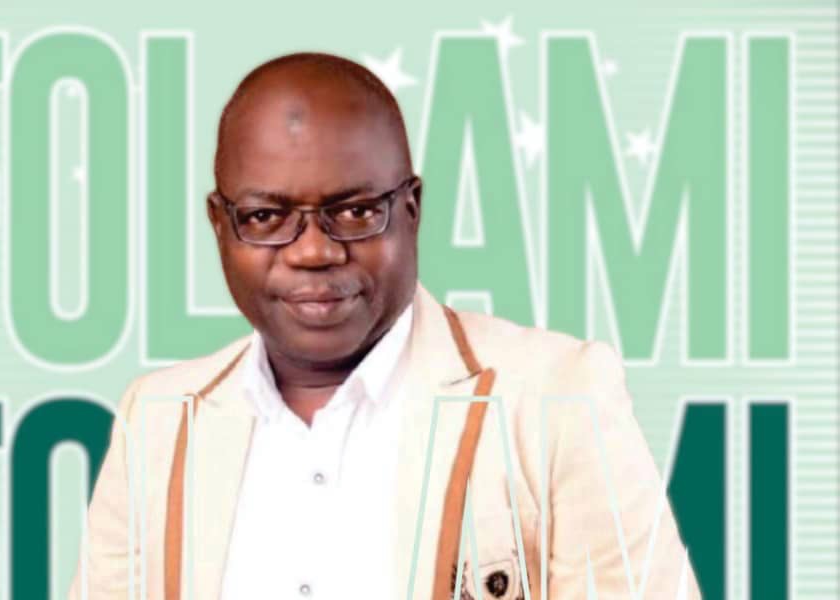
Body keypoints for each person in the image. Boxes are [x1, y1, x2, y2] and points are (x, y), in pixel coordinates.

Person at [69, 52, 700, 600]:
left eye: (355, 211)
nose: (313, 250)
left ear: (411, 210)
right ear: (220, 224)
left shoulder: (556, 397)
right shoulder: (158, 418)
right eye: (265, 217)